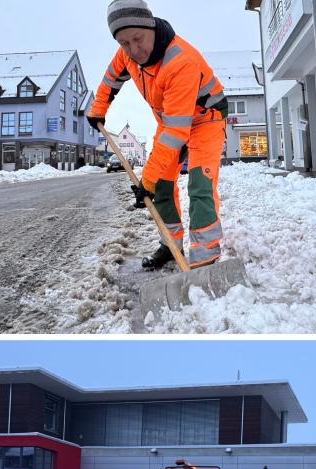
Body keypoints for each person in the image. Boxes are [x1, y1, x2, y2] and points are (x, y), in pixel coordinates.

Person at [88, 0, 229, 270]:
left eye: (138, 39)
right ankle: (170, 244)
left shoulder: (180, 61)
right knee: (162, 186)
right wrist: (98, 109)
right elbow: (110, 79)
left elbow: (177, 133)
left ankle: (205, 257)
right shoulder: (127, 54)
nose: (133, 50)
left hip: (205, 118)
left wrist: (147, 180)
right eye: (124, 43)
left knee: (199, 183)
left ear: (149, 25)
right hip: (171, 120)